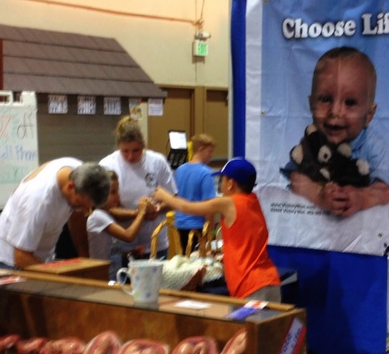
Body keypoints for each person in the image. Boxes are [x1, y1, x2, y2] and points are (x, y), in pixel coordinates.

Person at [284, 46, 389, 217]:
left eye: (350, 102)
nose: (335, 111)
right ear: (311, 104)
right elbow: (295, 177)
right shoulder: (313, 141)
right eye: (326, 99)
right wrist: (318, 194)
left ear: (368, 115)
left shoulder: (373, 145)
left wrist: (361, 197)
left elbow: (385, 191)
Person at [154, 158, 281, 302]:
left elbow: (187, 208)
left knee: (248, 325)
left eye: (222, 180)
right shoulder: (253, 200)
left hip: (250, 285)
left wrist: (165, 196)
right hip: (270, 281)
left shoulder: (227, 203)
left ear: (231, 184)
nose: (220, 185)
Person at [0, 159, 111, 270]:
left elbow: (77, 217)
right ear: (70, 186)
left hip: (41, 257)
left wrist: (85, 261)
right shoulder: (37, 200)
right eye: (80, 205)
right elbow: (21, 257)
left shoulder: (80, 174)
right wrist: (57, 275)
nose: (85, 211)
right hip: (11, 263)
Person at [100, 116, 176, 261]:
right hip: (123, 246)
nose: (130, 156)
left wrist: (157, 209)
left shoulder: (157, 162)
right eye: (125, 151)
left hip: (156, 243)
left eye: (136, 150)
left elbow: (173, 199)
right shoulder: (107, 165)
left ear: (143, 145)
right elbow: (106, 209)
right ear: (118, 147)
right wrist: (138, 214)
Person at [86, 170, 154, 280]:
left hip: (116, 276)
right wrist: (141, 213)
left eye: (117, 191)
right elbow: (128, 236)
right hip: (102, 278)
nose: (118, 197)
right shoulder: (97, 217)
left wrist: (130, 253)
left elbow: (111, 252)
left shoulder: (108, 216)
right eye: (113, 192)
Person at [173, 133, 218, 252]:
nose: (211, 156)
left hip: (179, 226)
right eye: (210, 152)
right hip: (198, 229)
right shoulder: (206, 173)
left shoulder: (179, 170)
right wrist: (212, 233)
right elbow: (209, 208)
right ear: (200, 149)